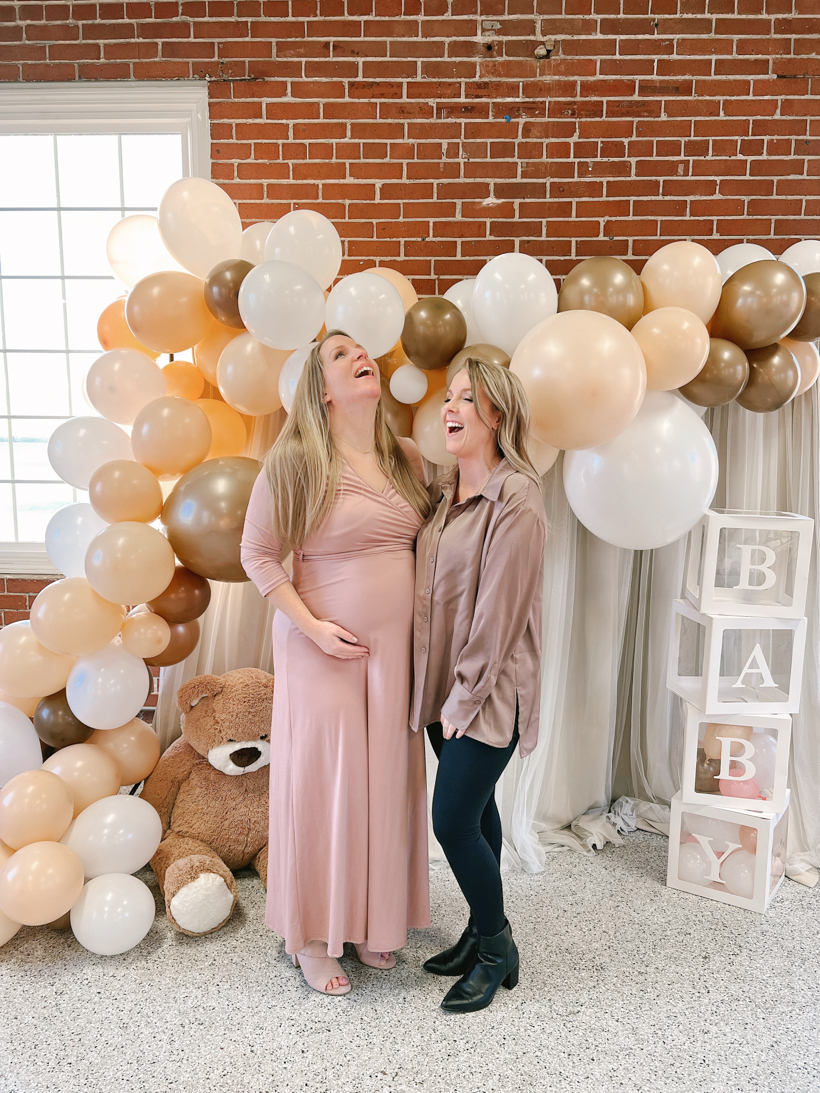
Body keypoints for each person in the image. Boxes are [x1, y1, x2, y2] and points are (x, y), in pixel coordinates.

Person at [240, 329, 431, 996]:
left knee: (383, 781)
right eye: (340, 353)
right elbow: (258, 555)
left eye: (361, 349)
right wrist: (315, 628)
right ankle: (314, 935)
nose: (360, 357)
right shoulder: (294, 458)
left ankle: (374, 921)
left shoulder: (405, 456)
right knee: (328, 784)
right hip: (321, 648)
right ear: (320, 387)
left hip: (393, 657)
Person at [411, 357, 547, 1014]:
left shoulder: (517, 496)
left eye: (469, 398)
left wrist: (462, 698)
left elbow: (498, 614)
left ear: (499, 416)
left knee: (453, 820)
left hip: (487, 692)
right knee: (480, 811)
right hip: (446, 689)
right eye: (448, 396)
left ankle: (497, 947)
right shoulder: (445, 496)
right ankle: (476, 927)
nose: (451, 407)